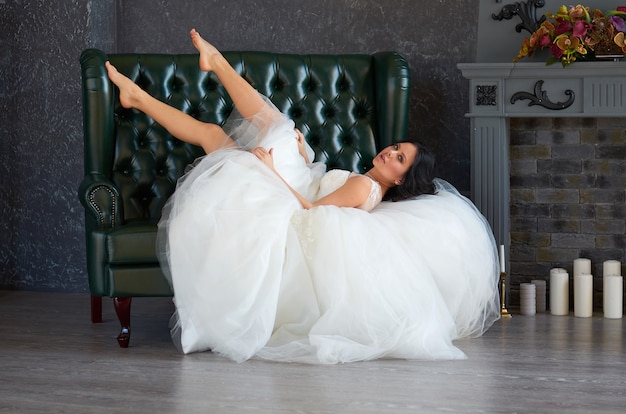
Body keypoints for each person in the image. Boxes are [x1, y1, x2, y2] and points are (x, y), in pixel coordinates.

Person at [106, 29, 501, 364]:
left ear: (402, 178)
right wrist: (305, 154)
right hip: (296, 188)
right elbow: (321, 186)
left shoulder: (365, 186)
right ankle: (142, 95)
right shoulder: (368, 183)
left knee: (268, 126)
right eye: (396, 147)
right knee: (233, 133)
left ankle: (199, 72)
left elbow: (311, 210)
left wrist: (269, 169)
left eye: (399, 158)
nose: (390, 152)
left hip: (287, 206)